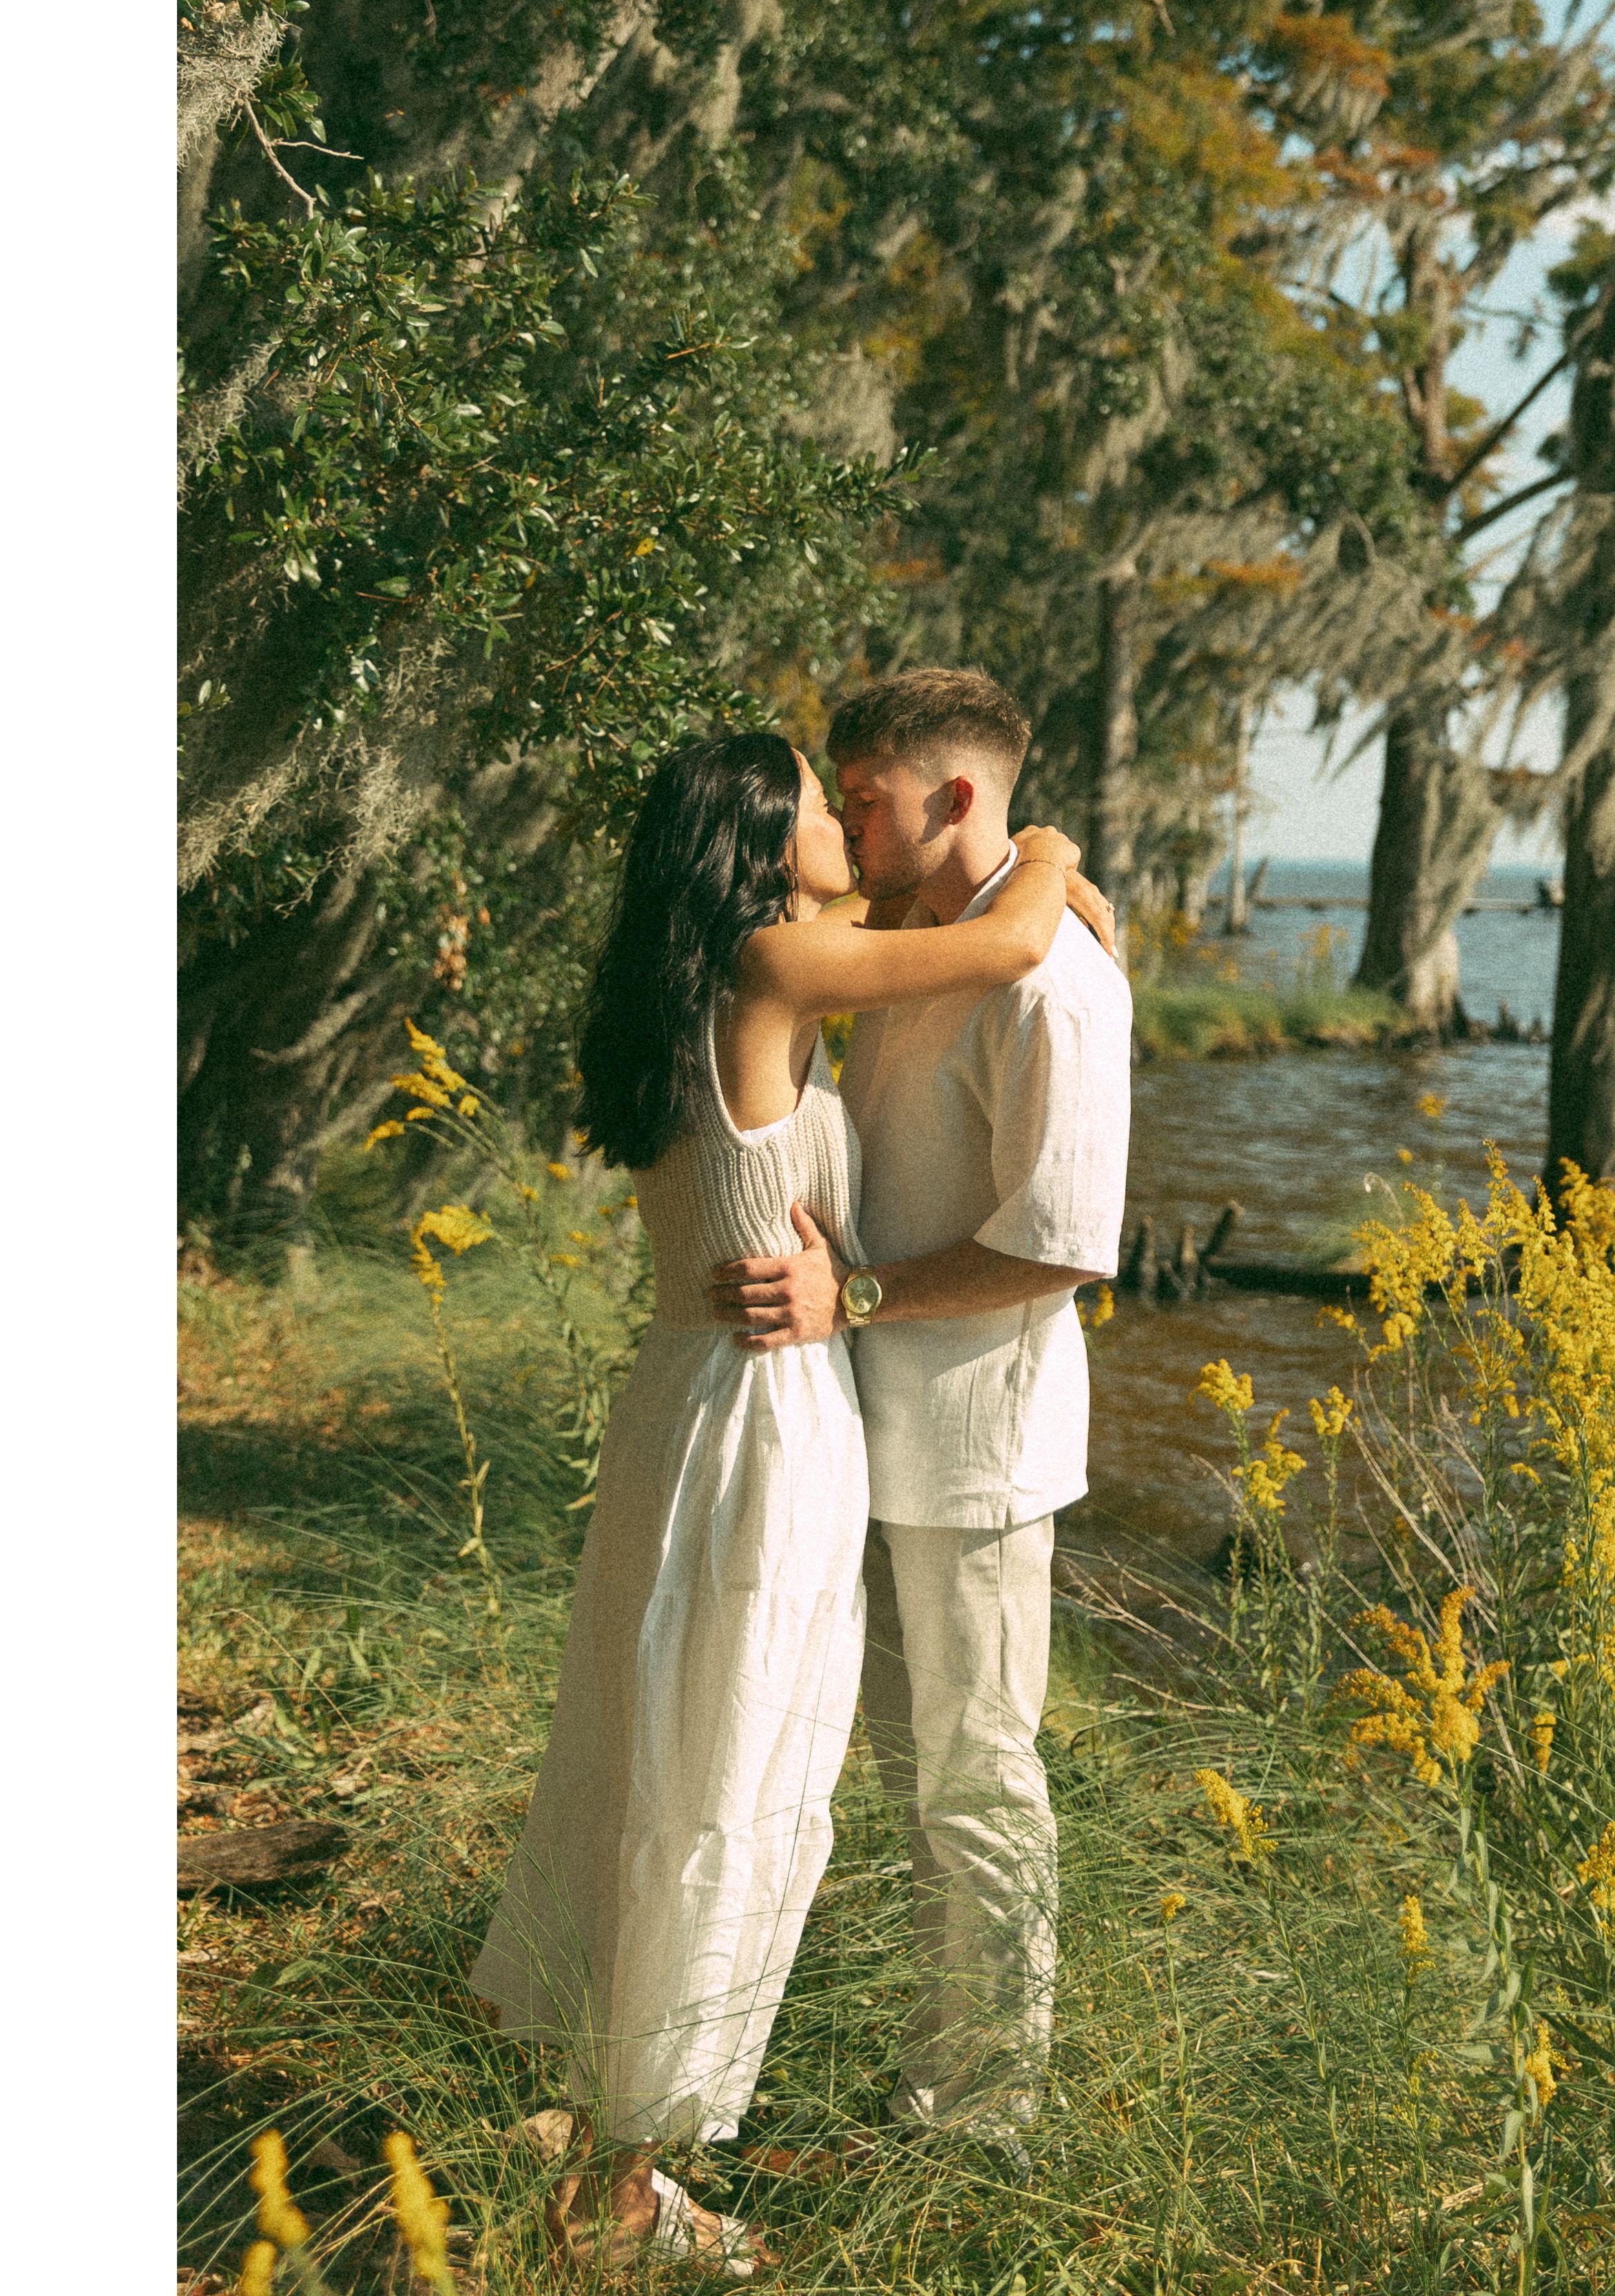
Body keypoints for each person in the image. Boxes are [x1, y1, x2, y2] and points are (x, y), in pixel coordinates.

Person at [468, 723, 1111, 2279]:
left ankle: (597, 2116)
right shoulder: (774, 968)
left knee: (658, 1744)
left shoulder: (712, 973)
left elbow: (930, 932)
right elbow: (1007, 940)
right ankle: (631, 2186)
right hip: (766, 1413)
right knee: (731, 1769)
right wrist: (1050, 851)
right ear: (764, 844)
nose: (848, 819)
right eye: (828, 803)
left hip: (687, 1398)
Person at [711, 665, 1133, 2170]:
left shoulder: (1052, 982)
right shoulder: (903, 935)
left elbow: (1063, 1243)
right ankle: (924, 2080)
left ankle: (987, 2123)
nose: (848, 827)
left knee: (979, 1782)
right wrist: (1054, 856)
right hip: (855, 1428)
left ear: (954, 797)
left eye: (866, 799)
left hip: (974, 1451)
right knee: (906, 1779)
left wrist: (859, 1298)